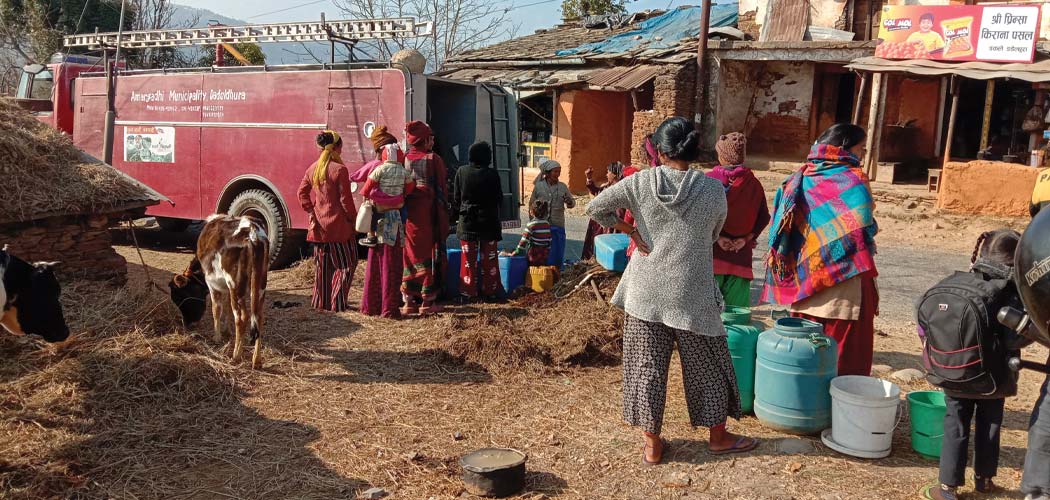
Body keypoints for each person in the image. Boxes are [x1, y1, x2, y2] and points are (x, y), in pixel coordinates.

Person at [586, 116, 758, 465]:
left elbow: (595, 207)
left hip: (644, 292)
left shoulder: (639, 183)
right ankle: (718, 438)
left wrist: (631, 232)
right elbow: (713, 234)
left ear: (660, 151)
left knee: (646, 367)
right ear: (694, 150)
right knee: (708, 365)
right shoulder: (712, 189)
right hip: (692, 290)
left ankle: (652, 444)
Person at [763, 123, 879, 377]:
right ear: (845, 148)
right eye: (860, 149)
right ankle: (838, 411)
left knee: (806, 359)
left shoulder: (798, 178)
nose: (861, 156)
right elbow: (865, 230)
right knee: (844, 362)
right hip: (844, 287)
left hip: (805, 280)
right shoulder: (854, 180)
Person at [922, 230, 1021, 500]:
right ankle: (984, 481)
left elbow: (925, 324)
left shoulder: (956, 282)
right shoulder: (1010, 292)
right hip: (993, 378)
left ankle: (947, 488)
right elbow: (1014, 339)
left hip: (953, 372)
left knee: (955, 424)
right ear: (1016, 261)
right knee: (990, 425)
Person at [297, 130, 358, 312]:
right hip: (338, 226)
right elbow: (345, 200)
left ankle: (320, 302)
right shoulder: (339, 169)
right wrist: (353, 219)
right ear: (337, 147)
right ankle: (337, 303)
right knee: (346, 264)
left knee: (322, 267)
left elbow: (301, 193)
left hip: (319, 226)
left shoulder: (312, 168)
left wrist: (311, 211)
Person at [706, 132, 770, 308]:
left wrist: (717, 237)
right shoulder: (754, 184)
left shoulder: (708, 181)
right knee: (736, 316)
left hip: (712, 257)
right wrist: (745, 239)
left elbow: (700, 217)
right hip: (740, 256)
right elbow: (764, 216)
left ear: (721, 155)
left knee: (707, 313)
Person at [401, 120, 449, 316]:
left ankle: (408, 302)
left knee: (409, 256)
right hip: (429, 216)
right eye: (431, 137)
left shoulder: (403, 159)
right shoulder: (433, 159)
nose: (433, 141)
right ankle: (427, 302)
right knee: (429, 255)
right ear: (425, 140)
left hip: (408, 216)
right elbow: (442, 191)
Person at [358, 125, 405, 319]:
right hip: (391, 220)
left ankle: (370, 306)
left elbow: (360, 183)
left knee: (375, 264)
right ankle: (388, 308)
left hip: (373, 222)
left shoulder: (372, 167)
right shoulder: (391, 169)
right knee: (390, 264)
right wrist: (395, 200)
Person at [451, 141, 505, 302]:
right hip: (489, 223)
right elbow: (499, 199)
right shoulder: (492, 174)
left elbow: (456, 198)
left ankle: (468, 293)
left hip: (468, 222)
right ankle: (491, 292)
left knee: (468, 261)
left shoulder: (462, 172)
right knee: (490, 259)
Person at [530, 160, 575, 268]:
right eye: (555, 171)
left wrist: (569, 201)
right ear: (548, 172)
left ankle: (556, 275)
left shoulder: (563, 187)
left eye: (559, 171)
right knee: (542, 254)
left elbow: (572, 203)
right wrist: (532, 221)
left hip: (558, 225)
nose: (557, 174)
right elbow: (531, 204)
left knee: (557, 253)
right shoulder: (539, 186)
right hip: (542, 226)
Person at [581, 161, 626, 261]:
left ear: (614, 175)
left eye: (608, 172)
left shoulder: (621, 190)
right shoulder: (607, 187)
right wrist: (589, 178)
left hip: (612, 227)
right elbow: (596, 191)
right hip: (602, 226)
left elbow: (620, 213)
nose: (606, 174)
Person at [504, 199, 553, 266]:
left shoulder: (531, 225)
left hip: (534, 255)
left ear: (532, 212)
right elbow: (549, 240)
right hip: (544, 254)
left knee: (532, 270)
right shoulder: (547, 224)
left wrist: (517, 251)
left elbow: (524, 241)